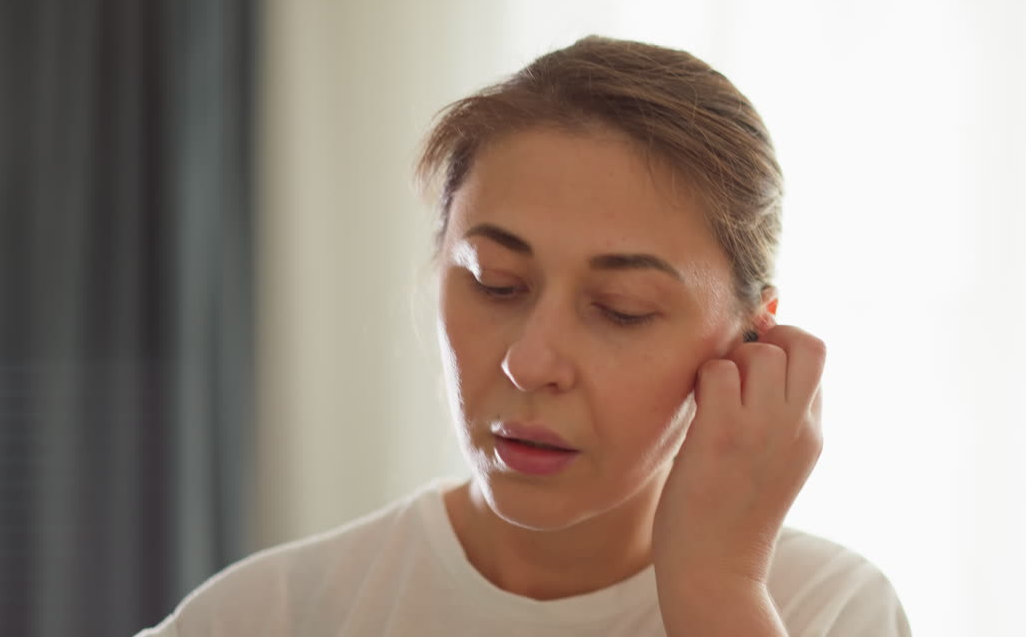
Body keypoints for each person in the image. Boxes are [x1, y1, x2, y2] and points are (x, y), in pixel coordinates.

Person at [136, 36, 910, 636]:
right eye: (495, 284)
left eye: (621, 308)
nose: (530, 362)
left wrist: (715, 588)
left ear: (750, 346)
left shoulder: (825, 608)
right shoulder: (267, 616)